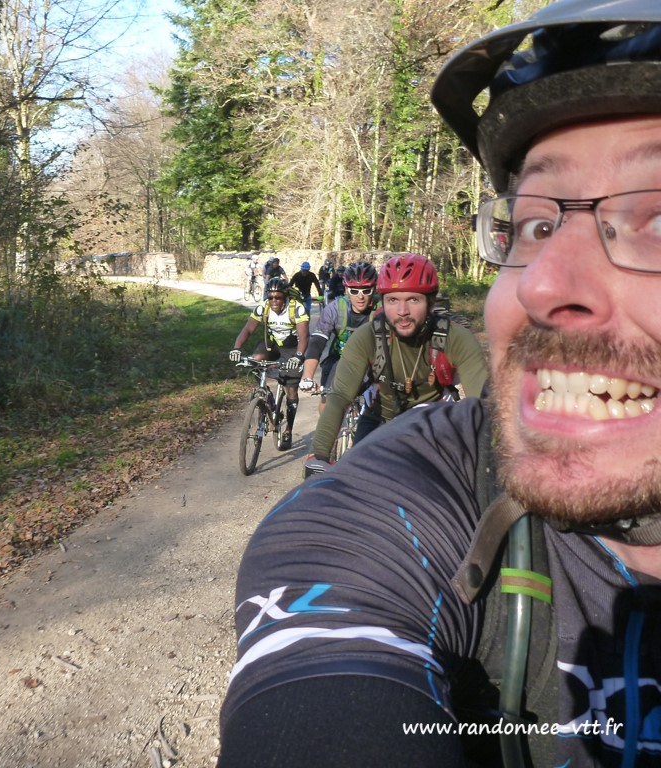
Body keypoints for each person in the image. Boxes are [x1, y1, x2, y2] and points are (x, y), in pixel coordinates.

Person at [218, 2, 661, 766]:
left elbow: (489, 382)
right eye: (536, 225)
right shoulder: (369, 355)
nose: (542, 282)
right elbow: (341, 384)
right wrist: (321, 454)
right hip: (394, 421)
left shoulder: (447, 334)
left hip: (432, 404)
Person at [304, 253, 488, 466]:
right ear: (382, 301)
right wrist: (318, 455)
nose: (402, 311)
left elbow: (482, 404)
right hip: (380, 420)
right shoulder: (368, 336)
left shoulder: (454, 338)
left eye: (413, 299)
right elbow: (340, 396)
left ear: (430, 302)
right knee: (355, 473)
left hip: (435, 424)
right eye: (392, 300)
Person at [228, 277, 308, 450]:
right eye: (270, 297)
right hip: (272, 344)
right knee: (255, 360)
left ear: (285, 297)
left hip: (292, 347)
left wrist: (298, 356)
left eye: (278, 297)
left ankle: (288, 429)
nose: (273, 301)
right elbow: (248, 329)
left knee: (291, 390)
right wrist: (237, 348)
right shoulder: (263, 307)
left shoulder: (296, 308)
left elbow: (303, 336)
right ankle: (266, 394)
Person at [297, 261, 379, 419]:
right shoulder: (335, 309)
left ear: (374, 289)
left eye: (366, 290)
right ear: (347, 289)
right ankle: (331, 433)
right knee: (327, 401)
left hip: (372, 361)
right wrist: (307, 377)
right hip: (340, 358)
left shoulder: (382, 309)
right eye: (354, 291)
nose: (360, 296)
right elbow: (317, 343)